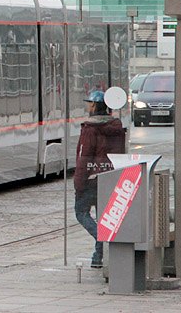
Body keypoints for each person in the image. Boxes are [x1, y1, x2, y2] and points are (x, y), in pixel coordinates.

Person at [74, 89, 126, 268]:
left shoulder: (90, 129)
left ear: (95, 106)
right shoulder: (117, 127)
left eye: (89, 104)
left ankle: (101, 239)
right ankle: (97, 258)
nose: (88, 107)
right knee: (104, 216)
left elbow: (84, 157)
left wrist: (78, 183)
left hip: (91, 178)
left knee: (80, 212)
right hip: (111, 176)